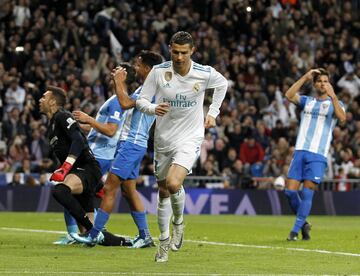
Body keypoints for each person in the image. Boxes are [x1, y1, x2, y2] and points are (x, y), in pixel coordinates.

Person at [136, 31, 228, 262]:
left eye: (184, 53)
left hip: (190, 137)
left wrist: (213, 113)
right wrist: (152, 109)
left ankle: (177, 225)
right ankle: (164, 240)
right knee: (164, 191)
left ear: (192, 51)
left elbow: (223, 84)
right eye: (175, 52)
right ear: (170, 49)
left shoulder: (204, 73)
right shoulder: (158, 72)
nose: (179, 57)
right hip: (163, 140)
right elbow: (141, 100)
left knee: (174, 183)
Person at [72, 51, 164, 248]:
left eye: (138, 65)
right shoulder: (146, 87)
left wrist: (119, 81)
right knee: (129, 191)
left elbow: (124, 103)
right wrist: (119, 83)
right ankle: (145, 236)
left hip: (132, 144)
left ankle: (94, 234)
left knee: (108, 188)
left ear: (148, 68)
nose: (135, 68)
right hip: (131, 144)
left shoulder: (153, 89)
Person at [52, 72, 127, 245]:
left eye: (117, 73)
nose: (112, 75)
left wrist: (89, 119)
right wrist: (77, 126)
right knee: (81, 195)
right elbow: (98, 131)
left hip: (98, 155)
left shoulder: (116, 101)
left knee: (66, 190)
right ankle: (90, 231)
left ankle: (79, 234)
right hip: (99, 154)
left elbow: (110, 130)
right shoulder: (114, 100)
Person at [284, 68, 346, 241]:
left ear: (330, 84)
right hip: (300, 151)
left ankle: (295, 231)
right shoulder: (307, 101)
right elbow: (288, 95)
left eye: (326, 81)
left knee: (307, 193)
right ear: (314, 84)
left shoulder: (336, 104)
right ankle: (304, 224)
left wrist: (333, 96)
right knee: (289, 192)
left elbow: (342, 118)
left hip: (318, 155)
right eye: (319, 81)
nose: (323, 84)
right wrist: (305, 76)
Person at [39, 85, 102, 235]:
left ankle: (94, 231)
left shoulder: (62, 116)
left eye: (44, 97)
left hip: (87, 168)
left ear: (53, 102)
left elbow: (79, 141)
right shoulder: (51, 126)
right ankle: (99, 235)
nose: (40, 100)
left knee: (60, 191)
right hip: (76, 172)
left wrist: (65, 167)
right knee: (87, 236)